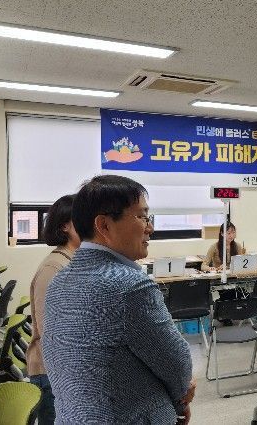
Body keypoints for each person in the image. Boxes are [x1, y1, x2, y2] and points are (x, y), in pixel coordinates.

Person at [42, 175, 195, 424]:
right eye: (142, 217)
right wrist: (179, 400)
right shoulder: (129, 285)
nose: (150, 228)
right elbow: (176, 363)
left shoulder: (59, 281)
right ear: (104, 225)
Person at [26, 194, 80, 424]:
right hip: (52, 374)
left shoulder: (72, 261)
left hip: (66, 372)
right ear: (65, 226)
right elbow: (51, 332)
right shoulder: (53, 268)